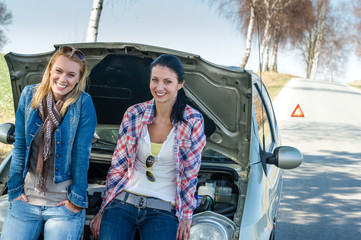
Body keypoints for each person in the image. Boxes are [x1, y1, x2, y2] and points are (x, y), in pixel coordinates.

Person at [90, 54, 206, 240]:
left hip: (164, 208)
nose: (159, 87)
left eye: (167, 81)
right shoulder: (134, 113)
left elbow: (189, 174)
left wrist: (186, 216)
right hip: (123, 201)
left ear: (180, 84)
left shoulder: (193, 120)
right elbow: (118, 166)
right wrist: (103, 208)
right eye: (155, 80)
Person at [1, 46, 97, 240]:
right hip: (26, 200)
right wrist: (15, 190)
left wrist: (76, 200)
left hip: (62, 204)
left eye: (71, 75)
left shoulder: (83, 103)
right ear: (51, 70)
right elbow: (20, 145)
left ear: (79, 78)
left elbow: (81, 154)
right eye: (59, 71)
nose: (63, 79)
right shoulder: (29, 96)